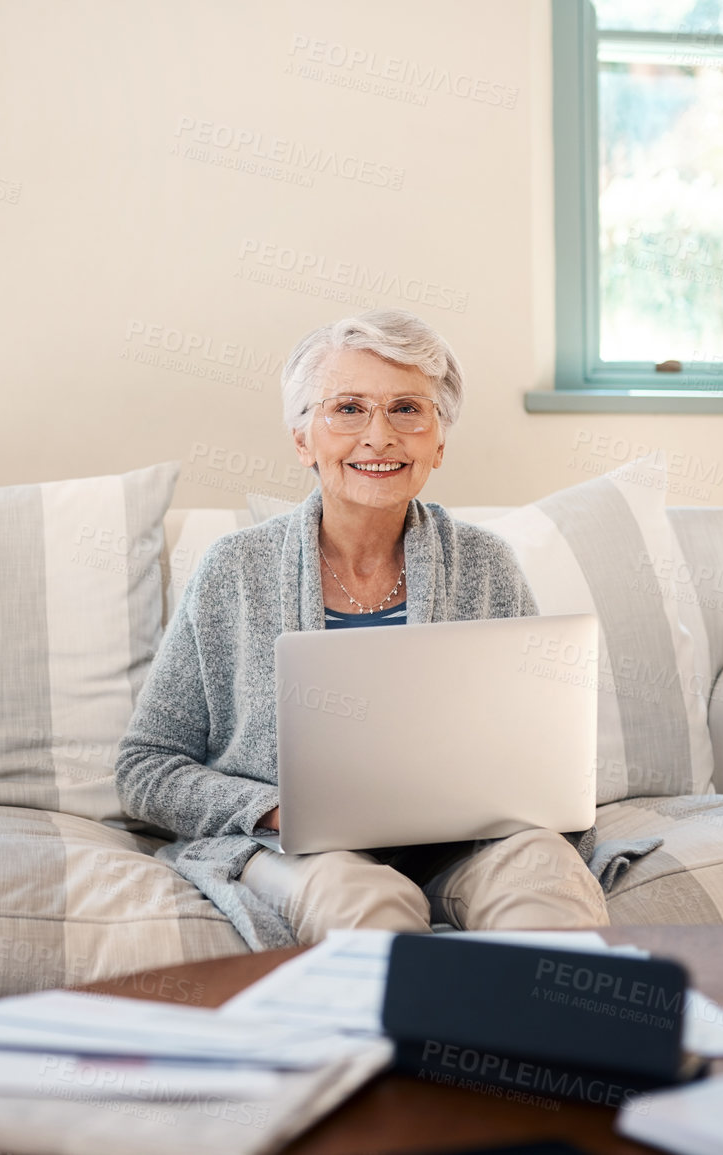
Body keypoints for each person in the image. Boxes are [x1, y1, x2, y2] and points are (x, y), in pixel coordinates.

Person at [115, 309, 608, 949]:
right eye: (348, 409)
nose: (379, 436)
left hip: (463, 845)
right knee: (364, 901)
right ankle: (405, 1049)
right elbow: (145, 767)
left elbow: (545, 757)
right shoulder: (235, 571)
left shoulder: (487, 566)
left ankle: (556, 1045)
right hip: (306, 854)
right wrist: (274, 811)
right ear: (302, 440)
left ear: (439, 440)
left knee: (546, 876)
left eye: (408, 409)